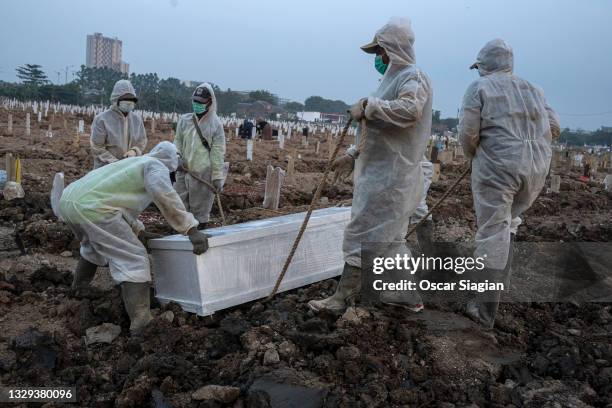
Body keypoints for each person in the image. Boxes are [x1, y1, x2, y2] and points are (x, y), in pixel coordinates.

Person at [308, 17, 433, 313]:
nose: (378, 58)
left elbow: (410, 111)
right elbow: (378, 133)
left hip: (391, 177)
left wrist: (368, 106)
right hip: (384, 172)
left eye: (380, 51)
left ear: (393, 49)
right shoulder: (392, 81)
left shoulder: (412, 78)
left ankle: (341, 298)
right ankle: (408, 297)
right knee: (391, 240)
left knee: (361, 232)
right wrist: (352, 154)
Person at [458, 39, 560, 328]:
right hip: (536, 168)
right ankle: (498, 286)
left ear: (484, 65)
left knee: (492, 231)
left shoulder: (480, 88)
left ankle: (483, 310)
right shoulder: (534, 89)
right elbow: (554, 127)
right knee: (509, 223)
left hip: (498, 167)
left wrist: (473, 154)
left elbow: (468, 133)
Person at [60, 142, 210, 333]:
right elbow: (165, 196)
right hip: (93, 208)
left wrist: (139, 231)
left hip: (69, 201)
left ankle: (79, 287)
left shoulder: (135, 162)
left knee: (92, 245)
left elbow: (118, 201)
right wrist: (190, 228)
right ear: (173, 162)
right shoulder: (156, 166)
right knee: (134, 258)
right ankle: (141, 322)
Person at [174, 83, 227, 227]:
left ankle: (198, 238)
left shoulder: (215, 125)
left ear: (210, 103)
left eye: (201, 103)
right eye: (195, 101)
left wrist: (217, 176)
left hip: (203, 175)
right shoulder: (185, 121)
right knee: (180, 208)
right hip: (183, 172)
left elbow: (217, 151)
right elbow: (178, 141)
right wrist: (177, 157)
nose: (197, 105)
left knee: (200, 213)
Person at [90, 79, 147, 169]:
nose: (129, 102)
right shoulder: (102, 119)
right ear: (115, 99)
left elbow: (142, 141)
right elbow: (97, 147)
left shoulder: (137, 119)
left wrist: (134, 151)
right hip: (105, 169)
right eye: (125, 99)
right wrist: (114, 162)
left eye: (131, 99)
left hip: (130, 167)